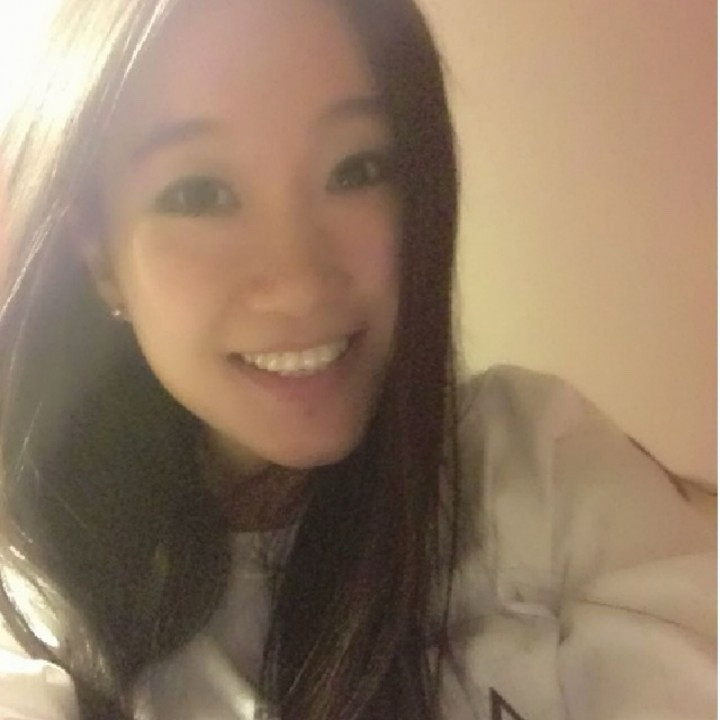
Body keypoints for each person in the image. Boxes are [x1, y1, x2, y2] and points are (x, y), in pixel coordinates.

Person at [0, 0, 714, 718]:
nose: (300, 283)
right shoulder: (31, 604)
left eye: (357, 168)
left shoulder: (539, 466)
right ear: (100, 256)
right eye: (199, 193)